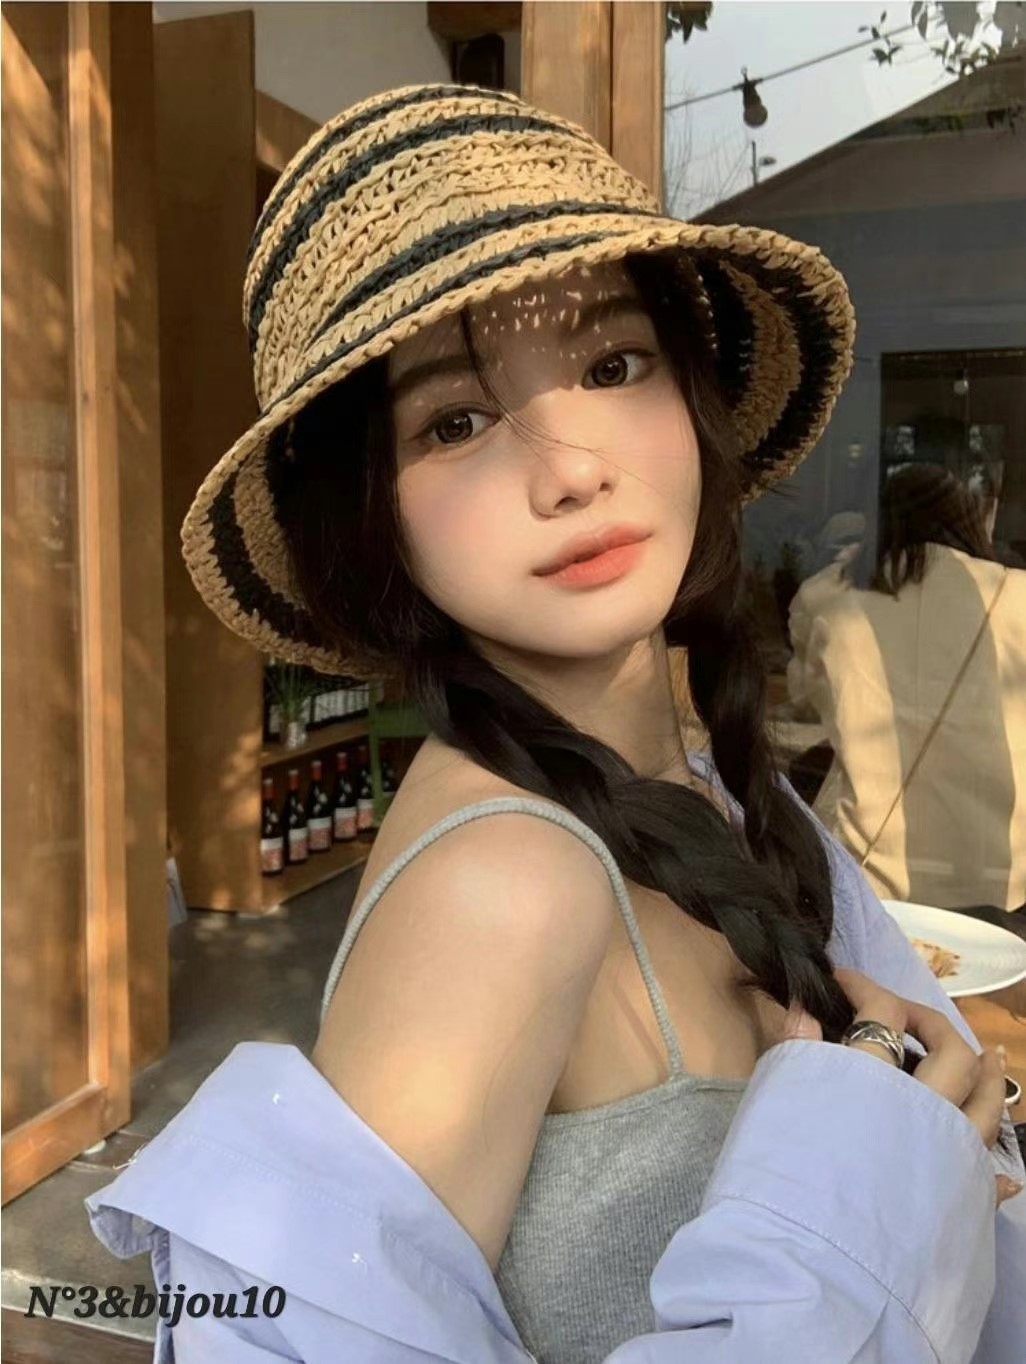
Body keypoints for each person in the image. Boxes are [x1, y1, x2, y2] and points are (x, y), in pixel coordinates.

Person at [85, 83, 1025, 1362]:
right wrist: (858, 1220)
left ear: (693, 397)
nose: (573, 468)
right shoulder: (504, 881)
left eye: (613, 363)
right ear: (372, 515)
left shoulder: (704, 779)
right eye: (456, 421)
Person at [789, 462, 1026, 911]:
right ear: (966, 518)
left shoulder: (828, 599)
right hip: (1002, 880)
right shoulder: (1017, 596)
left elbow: (803, 700)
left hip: (872, 877)